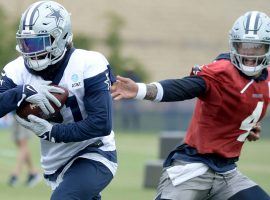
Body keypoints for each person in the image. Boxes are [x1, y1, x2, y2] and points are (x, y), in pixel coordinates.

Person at [111, 11, 270, 200]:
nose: (248, 53)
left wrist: (245, 126)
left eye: (256, 47)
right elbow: (182, 87)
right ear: (234, 45)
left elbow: (242, 104)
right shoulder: (221, 72)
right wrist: (140, 89)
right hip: (193, 167)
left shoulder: (266, 79)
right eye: (244, 46)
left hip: (227, 174)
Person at [0, 1, 117, 199]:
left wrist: (53, 132)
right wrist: (23, 91)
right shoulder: (16, 70)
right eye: (26, 43)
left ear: (60, 37)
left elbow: (102, 124)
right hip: (54, 162)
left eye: (38, 42)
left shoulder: (88, 63)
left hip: (94, 152)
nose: (30, 51)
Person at [8, 119, 41, 187]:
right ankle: (33, 173)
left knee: (23, 145)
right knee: (21, 146)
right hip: (14, 116)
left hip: (24, 116)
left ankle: (15, 174)